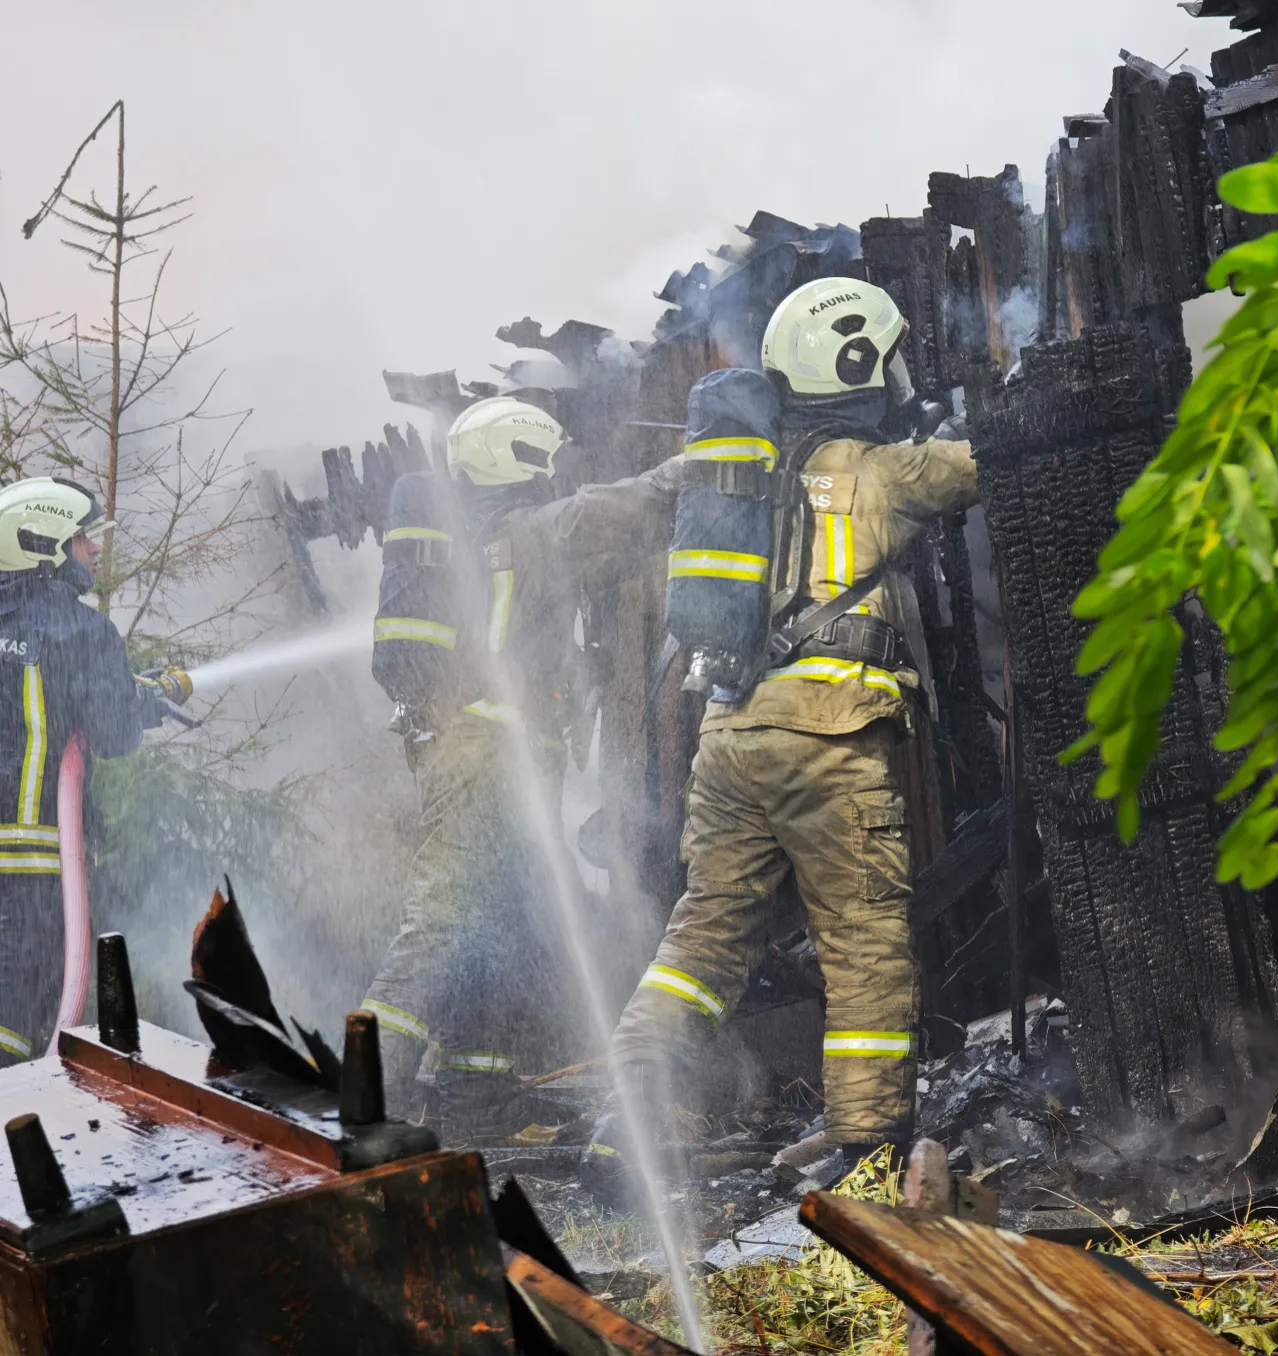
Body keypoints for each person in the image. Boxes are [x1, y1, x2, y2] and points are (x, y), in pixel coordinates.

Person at [593, 277, 980, 1173]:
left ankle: (625, 1117)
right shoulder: (878, 472)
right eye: (886, 355)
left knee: (703, 937)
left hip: (729, 737)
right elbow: (983, 464)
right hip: (829, 739)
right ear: (855, 363)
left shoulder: (740, 474)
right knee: (863, 935)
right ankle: (868, 1145)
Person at [362, 395, 675, 1144]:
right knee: (439, 924)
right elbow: (631, 506)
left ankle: (479, 1094)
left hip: (490, 755)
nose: (558, 472)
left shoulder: (473, 545)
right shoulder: (535, 533)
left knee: (498, 927)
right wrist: (715, 458)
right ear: (521, 460)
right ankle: (362, 1098)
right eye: (548, 458)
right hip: (487, 757)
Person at [0, 476, 190, 1067]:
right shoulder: (83, 630)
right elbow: (109, 734)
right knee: (17, 1015)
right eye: (84, 538)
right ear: (44, 542)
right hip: (31, 864)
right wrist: (149, 703)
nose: (95, 549)